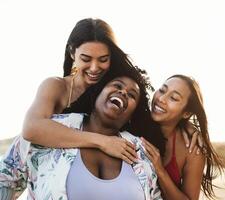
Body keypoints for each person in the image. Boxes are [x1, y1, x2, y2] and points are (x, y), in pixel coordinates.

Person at [0, 65, 165, 200]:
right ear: (97, 93)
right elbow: (5, 180)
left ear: (132, 114)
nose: (123, 93)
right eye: (117, 85)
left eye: (132, 95)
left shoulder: (141, 153)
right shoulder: (48, 129)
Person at [22, 18, 139, 164]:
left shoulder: (113, 90)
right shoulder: (56, 86)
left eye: (103, 59)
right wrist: (103, 142)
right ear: (72, 53)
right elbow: (31, 127)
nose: (94, 68)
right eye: (86, 59)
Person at [142, 74, 224, 200]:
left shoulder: (192, 149)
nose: (161, 99)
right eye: (162, 90)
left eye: (173, 98)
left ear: (187, 113)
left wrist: (160, 171)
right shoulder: (134, 121)